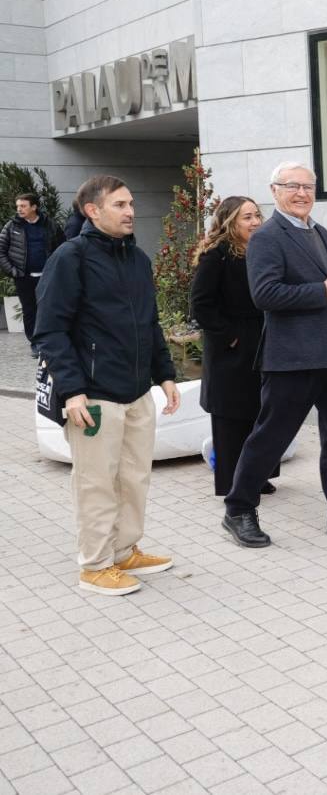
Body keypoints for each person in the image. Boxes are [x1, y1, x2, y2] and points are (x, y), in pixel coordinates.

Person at [220, 162, 327, 547]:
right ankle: (239, 509)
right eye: (292, 186)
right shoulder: (267, 237)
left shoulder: (321, 232)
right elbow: (265, 295)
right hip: (292, 360)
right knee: (270, 438)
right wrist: (323, 292)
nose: (302, 193)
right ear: (274, 190)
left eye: (308, 186)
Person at [34, 175, 179, 596]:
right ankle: (95, 565)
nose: (130, 210)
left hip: (136, 392)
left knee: (134, 477)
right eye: (119, 204)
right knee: (96, 481)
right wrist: (73, 389)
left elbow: (150, 324)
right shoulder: (71, 258)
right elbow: (50, 331)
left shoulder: (137, 259)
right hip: (94, 395)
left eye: (131, 203)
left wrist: (165, 374)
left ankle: (124, 550)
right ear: (92, 211)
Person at [190, 196, 279, 498]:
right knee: (231, 418)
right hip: (232, 349)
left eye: (257, 216)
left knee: (259, 412)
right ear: (230, 222)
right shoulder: (217, 255)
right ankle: (231, 484)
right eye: (247, 217)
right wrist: (230, 336)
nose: (255, 222)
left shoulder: (261, 250)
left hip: (263, 342)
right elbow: (201, 305)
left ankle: (257, 477)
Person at [0, 192, 65, 356]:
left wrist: (57, 271)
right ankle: (35, 344)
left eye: (23, 206)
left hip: (47, 277)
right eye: (18, 206)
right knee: (30, 311)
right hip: (24, 278)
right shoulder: (11, 226)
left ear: (34, 207)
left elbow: (63, 249)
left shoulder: (50, 224)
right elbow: (1, 251)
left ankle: (49, 342)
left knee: (48, 310)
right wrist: (14, 271)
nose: (19, 210)